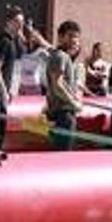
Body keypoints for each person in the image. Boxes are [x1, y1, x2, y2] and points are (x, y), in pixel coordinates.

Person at [0, 5, 26, 150]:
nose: (20, 26)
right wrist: (3, 91)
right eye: (17, 22)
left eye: (22, 23)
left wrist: (10, 90)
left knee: (1, 122)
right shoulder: (4, 41)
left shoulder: (13, 41)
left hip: (3, 89)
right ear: (8, 22)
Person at [46, 20, 83, 151]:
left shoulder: (65, 57)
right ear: (61, 37)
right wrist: (74, 103)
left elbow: (62, 84)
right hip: (63, 115)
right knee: (62, 155)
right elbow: (57, 85)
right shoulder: (60, 56)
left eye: (77, 37)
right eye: (70, 36)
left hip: (65, 114)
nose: (74, 40)